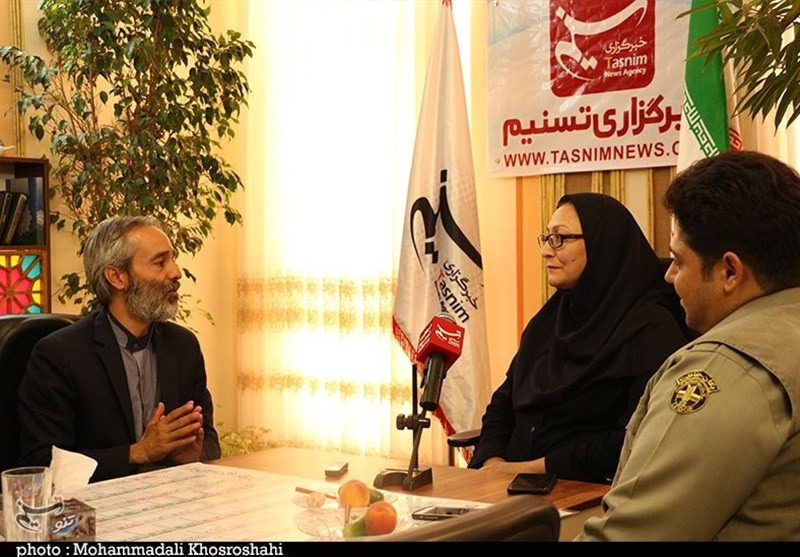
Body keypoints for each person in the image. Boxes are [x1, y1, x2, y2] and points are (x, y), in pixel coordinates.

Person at [577, 151, 800, 541]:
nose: (669, 276)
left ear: (729, 271)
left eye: (679, 261)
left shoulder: (724, 367)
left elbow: (634, 537)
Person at [469, 193, 690, 484]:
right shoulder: (550, 319)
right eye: (547, 238)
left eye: (560, 239)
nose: (546, 251)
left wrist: (529, 469)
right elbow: (503, 402)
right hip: (509, 483)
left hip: (586, 491)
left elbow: (633, 438)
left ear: (603, 245)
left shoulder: (650, 330)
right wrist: (492, 461)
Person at [18, 215, 220, 482]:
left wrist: (191, 455)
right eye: (160, 262)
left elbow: (210, 442)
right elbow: (42, 463)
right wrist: (137, 453)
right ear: (117, 277)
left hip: (171, 499)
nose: (176, 272)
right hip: (94, 505)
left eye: (173, 259)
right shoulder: (59, 355)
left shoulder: (183, 345)